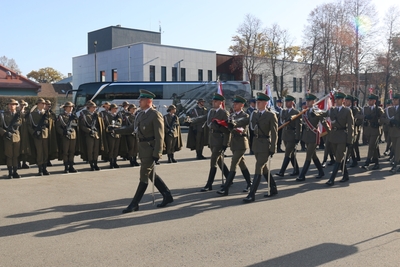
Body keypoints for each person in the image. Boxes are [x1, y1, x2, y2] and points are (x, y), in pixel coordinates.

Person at [117, 90, 173, 213]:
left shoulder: (155, 114)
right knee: (150, 174)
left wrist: (158, 152)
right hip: (142, 149)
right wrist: (116, 130)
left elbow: (160, 136)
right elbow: (132, 128)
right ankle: (167, 195)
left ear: (148, 101)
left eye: (141, 100)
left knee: (144, 175)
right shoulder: (140, 114)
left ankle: (134, 204)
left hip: (150, 149)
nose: (139, 101)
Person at [243, 92, 278, 203]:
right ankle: (273, 188)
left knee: (258, 167)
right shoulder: (255, 114)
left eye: (259, 102)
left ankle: (251, 194)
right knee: (263, 168)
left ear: (265, 103)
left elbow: (274, 133)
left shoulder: (271, 115)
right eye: (257, 102)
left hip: (265, 144)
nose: (257, 104)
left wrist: (273, 148)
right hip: (256, 144)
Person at [194, 93, 230, 192]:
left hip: (219, 139)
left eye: (215, 101)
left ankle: (209, 184)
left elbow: (228, 130)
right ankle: (229, 178)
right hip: (212, 139)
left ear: (220, 103)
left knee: (213, 161)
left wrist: (225, 144)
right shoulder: (211, 112)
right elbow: (204, 118)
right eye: (213, 101)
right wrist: (192, 121)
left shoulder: (224, 113)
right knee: (219, 161)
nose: (213, 103)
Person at [217, 95, 252, 196]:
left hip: (241, 142)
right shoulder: (231, 115)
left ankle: (226, 188)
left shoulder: (245, 116)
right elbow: (228, 130)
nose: (234, 105)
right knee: (242, 164)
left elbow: (240, 124)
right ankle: (249, 183)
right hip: (234, 143)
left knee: (234, 163)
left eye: (236, 103)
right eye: (234, 103)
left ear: (242, 105)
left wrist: (233, 124)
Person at [322, 92, 354, 186]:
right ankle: (346, 175)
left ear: (343, 100)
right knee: (338, 158)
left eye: (339, 99)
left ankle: (332, 179)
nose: (336, 100)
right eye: (336, 99)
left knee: (339, 157)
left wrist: (350, 140)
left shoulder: (347, 111)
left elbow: (350, 126)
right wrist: (315, 111)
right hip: (333, 136)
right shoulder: (332, 110)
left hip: (342, 137)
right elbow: (323, 115)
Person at [296, 94, 326, 181]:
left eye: (309, 101)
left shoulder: (317, 111)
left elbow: (323, 121)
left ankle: (302, 175)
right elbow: (303, 122)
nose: (307, 102)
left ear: (313, 101)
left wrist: (329, 131)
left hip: (313, 135)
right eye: (307, 101)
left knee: (308, 155)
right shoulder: (305, 111)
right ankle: (321, 171)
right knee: (313, 155)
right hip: (306, 136)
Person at [275, 95, 301, 177]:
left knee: (287, 153)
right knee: (291, 154)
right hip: (285, 135)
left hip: (292, 135)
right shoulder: (284, 112)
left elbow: (298, 126)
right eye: (286, 101)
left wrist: (297, 137)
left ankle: (282, 171)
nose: (286, 103)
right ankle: (296, 170)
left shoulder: (296, 112)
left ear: (292, 102)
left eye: (288, 101)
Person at [27, 98, 53, 176]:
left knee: (45, 152)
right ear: (38, 104)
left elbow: (50, 124)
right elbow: (29, 126)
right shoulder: (32, 115)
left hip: (45, 135)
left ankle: (45, 168)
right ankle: (40, 169)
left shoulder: (47, 113)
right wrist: (33, 133)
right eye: (42, 103)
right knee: (39, 152)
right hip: (37, 136)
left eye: (44, 104)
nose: (44, 105)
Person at [358, 94, 384, 170]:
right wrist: (364, 117)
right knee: (374, 146)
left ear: (374, 101)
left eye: (371, 100)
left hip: (375, 129)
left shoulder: (378, 109)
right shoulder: (364, 109)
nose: (369, 101)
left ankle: (367, 162)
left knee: (371, 146)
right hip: (367, 130)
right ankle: (376, 163)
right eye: (369, 100)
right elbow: (357, 115)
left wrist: (379, 124)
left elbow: (383, 117)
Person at [79, 100, 106, 171]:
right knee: (90, 150)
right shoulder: (84, 115)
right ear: (89, 107)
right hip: (89, 135)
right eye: (93, 107)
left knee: (96, 150)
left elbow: (99, 124)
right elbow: (82, 126)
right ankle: (91, 164)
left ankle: (95, 163)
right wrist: (89, 130)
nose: (94, 108)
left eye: (95, 107)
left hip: (96, 134)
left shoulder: (96, 114)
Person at [0, 99, 22, 178]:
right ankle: (10, 172)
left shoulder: (19, 115)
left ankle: (15, 171)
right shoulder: (3, 115)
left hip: (16, 137)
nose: (12, 106)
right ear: (8, 105)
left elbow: (20, 124)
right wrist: (4, 132)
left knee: (16, 155)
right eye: (10, 104)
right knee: (9, 155)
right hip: (7, 138)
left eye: (13, 104)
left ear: (16, 105)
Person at [56, 101, 79, 173]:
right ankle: (66, 166)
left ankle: (71, 166)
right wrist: (63, 132)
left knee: (72, 151)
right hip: (65, 136)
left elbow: (76, 125)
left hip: (73, 135)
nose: (71, 108)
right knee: (65, 152)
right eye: (69, 107)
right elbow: (58, 127)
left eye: (72, 107)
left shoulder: (73, 116)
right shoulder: (61, 116)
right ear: (65, 108)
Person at [381, 93, 400, 174]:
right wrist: (389, 122)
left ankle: (395, 165)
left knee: (398, 149)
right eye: (394, 99)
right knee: (395, 148)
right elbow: (382, 118)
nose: (394, 100)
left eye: (396, 99)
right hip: (393, 132)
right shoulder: (389, 109)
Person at [104, 103, 122, 168]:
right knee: (111, 148)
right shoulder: (107, 116)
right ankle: (111, 162)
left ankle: (115, 161)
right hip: (110, 134)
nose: (116, 110)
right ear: (111, 109)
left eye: (116, 108)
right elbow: (107, 124)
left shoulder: (117, 116)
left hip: (117, 134)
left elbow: (120, 123)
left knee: (116, 149)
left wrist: (118, 121)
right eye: (115, 108)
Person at [18, 99, 30, 169]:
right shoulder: (16, 114)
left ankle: (24, 162)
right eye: (21, 105)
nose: (22, 106)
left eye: (23, 105)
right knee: (18, 148)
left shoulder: (27, 114)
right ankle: (18, 163)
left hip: (25, 133)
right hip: (19, 132)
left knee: (25, 148)